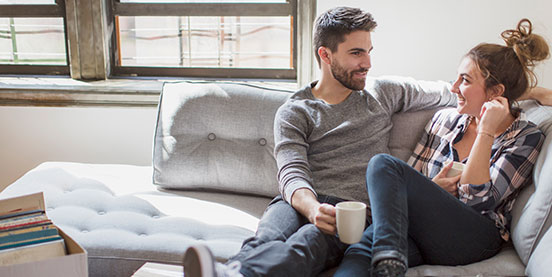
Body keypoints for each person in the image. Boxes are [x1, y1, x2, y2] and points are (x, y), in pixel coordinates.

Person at [182, 7, 549, 277]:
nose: (368, 63)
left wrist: (523, 93)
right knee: (270, 236)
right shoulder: (294, 111)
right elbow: (291, 171)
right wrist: (310, 207)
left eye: (370, 51)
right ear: (326, 56)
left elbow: (454, 91)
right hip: (301, 200)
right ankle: (231, 274)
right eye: (357, 53)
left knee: (313, 239)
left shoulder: (384, 93)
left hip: (355, 210)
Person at [334, 18, 550, 277]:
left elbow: (477, 202)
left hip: (473, 237)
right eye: (457, 77)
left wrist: (486, 131)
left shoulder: (525, 137)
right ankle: (388, 257)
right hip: (424, 229)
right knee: (359, 250)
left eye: (465, 80)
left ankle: (388, 250)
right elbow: (403, 188)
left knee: (382, 164)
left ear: (496, 93)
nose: (454, 87)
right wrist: (433, 188)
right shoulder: (444, 120)